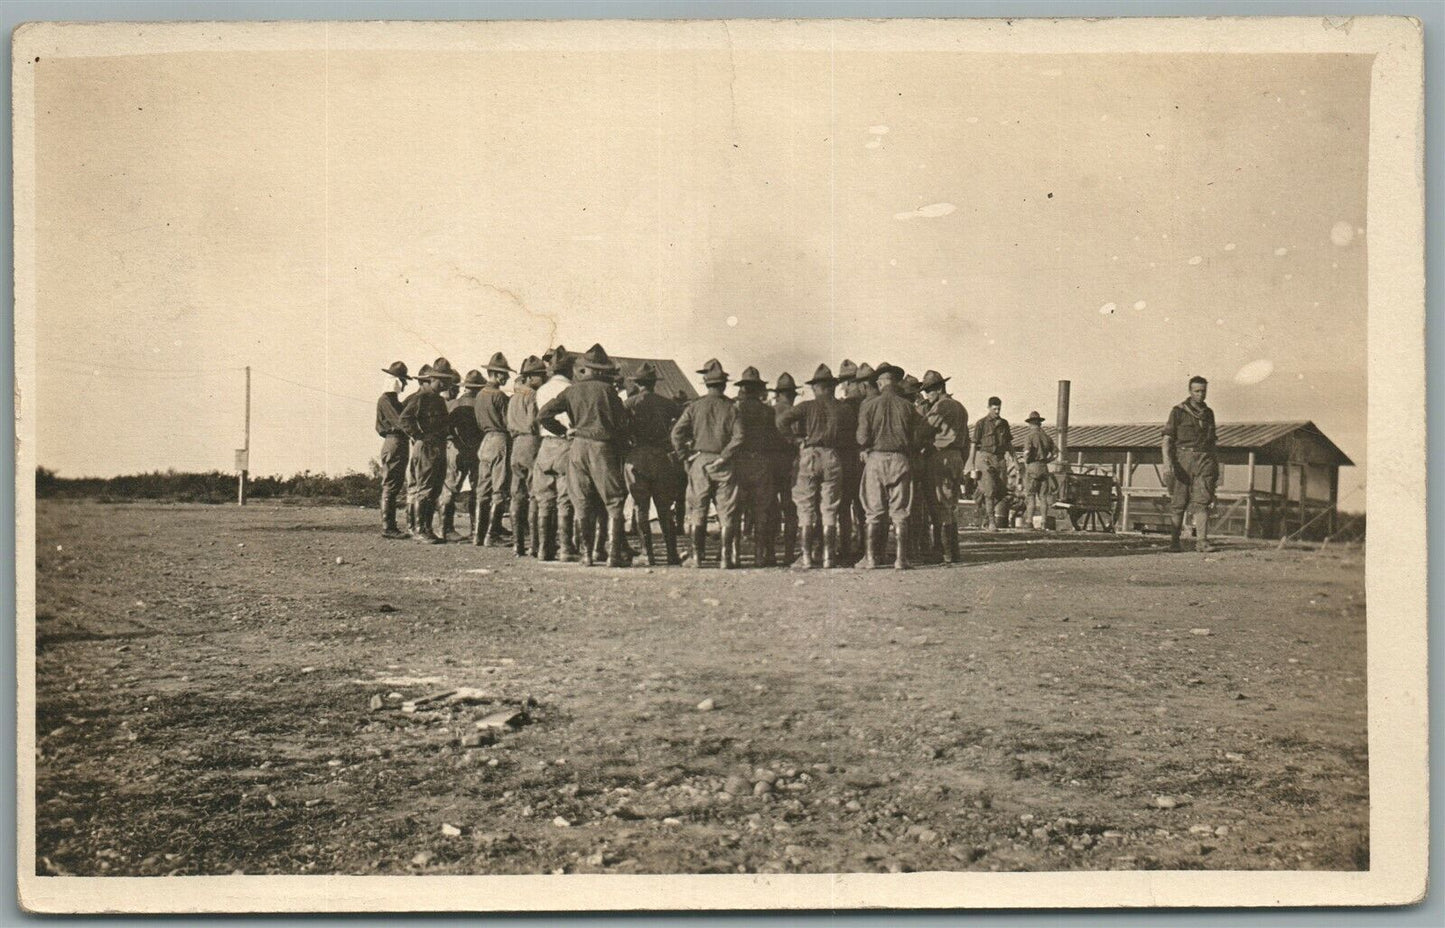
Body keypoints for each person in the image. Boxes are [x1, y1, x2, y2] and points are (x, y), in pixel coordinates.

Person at [538, 343, 632, 567]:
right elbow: (623, 422)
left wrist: (564, 431)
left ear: (585, 369)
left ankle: (586, 555)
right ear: (602, 370)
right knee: (614, 501)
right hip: (602, 447)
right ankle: (613, 555)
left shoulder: (572, 390)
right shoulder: (609, 391)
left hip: (578, 447)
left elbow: (543, 415)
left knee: (581, 501)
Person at [777, 364, 856, 569]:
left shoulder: (806, 406)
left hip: (809, 455)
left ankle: (806, 557)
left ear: (816, 387)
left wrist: (796, 440)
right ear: (832, 387)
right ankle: (828, 557)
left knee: (805, 507)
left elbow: (782, 421)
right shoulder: (844, 408)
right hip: (832, 455)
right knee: (829, 507)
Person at [670, 359, 743, 569]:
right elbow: (740, 436)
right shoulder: (732, 408)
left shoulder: (695, 406)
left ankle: (697, 557)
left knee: (698, 509)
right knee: (727, 512)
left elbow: (676, 433)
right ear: (724, 385)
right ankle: (725, 558)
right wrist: (724, 456)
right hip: (724, 463)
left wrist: (685, 456)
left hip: (700, 461)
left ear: (706, 383)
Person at [856, 363, 927, 569]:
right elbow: (918, 437)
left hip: (876, 459)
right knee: (900, 511)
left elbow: (862, 437)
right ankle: (901, 559)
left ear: (880, 384)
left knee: (873, 512)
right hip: (900, 460)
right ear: (895, 383)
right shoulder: (908, 407)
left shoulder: (869, 405)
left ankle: (870, 559)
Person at [623, 362, 685, 565]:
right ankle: (671, 553)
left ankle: (647, 554)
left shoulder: (629, 404)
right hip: (661, 457)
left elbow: (620, 428)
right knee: (664, 508)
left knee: (641, 507)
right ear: (654, 383)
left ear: (637, 383)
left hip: (637, 456)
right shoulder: (668, 404)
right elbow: (683, 421)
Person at [1162, 375, 1219, 553]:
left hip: (1205, 460)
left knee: (1203, 500)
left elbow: (1212, 443)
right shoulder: (1178, 411)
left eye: (1203, 391)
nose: (1200, 394)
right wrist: (1167, 464)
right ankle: (1174, 543)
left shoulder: (1209, 413)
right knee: (1179, 502)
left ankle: (1202, 542)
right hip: (1183, 459)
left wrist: (1215, 466)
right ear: (1190, 391)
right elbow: (1167, 440)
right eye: (1197, 391)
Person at [532, 346, 578, 561]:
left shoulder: (541, 390)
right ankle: (566, 548)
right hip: (565, 444)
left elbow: (541, 416)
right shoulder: (572, 389)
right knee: (564, 498)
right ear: (569, 369)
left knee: (544, 499)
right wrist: (564, 431)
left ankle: (544, 548)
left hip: (545, 445)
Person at [732, 366, 782, 566]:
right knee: (762, 510)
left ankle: (734, 555)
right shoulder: (767, 411)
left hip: (740, 462)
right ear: (759, 389)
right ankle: (761, 555)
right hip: (761, 462)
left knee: (736, 509)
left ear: (743, 388)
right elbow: (773, 439)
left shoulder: (736, 409)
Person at [399, 364, 452, 544]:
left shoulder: (438, 399)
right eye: (442, 381)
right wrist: (418, 435)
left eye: (447, 381)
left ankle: (425, 528)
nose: (445, 384)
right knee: (425, 488)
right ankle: (420, 530)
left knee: (434, 488)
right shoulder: (421, 397)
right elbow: (405, 419)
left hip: (437, 446)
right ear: (433, 379)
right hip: (427, 447)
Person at [920, 369, 969, 562]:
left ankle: (943, 552)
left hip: (941, 457)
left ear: (939, 388)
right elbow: (967, 440)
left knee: (940, 504)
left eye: (929, 391)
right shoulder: (960, 407)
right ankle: (952, 551)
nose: (927, 396)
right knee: (950, 504)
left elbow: (924, 430)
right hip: (956, 456)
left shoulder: (941, 406)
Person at [507, 356, 547, 556]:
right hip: (531, 443)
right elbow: (533, 421)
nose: (543, 379)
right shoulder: (532, 395)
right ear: (531, 377)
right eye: (540, 376)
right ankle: (535, 545)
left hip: (516, 444)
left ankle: (518, 544)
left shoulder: (514, 397)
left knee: (517, 494)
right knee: (534, 493)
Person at [472, 352, 513, 546]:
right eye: (504, 374)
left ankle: (478, 535)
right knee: (499, 487)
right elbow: (508, 423)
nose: (507, 377)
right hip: (499, 440)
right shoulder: (499, 396)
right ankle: (492, 535)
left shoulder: (480, 395)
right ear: (496, 374)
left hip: (485, 441)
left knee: (483, 488)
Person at [439, 369, 484, 542]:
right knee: (477, 488)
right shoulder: (480, 405)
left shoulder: (453, 404)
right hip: (475, 450)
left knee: (449, 487)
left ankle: (446, 528)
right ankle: (476, 529)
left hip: (454, 448)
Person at [375, 361, 412, 539]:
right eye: (403, 381)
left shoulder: (392, 400)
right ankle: (388, 527)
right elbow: (401, 422)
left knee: (394, 484)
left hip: (396, 441)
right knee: (391, 484)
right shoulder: (387, 400)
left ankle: (390, 525)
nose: (404, 384)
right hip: (395, 441)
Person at [769, 371, 801, 564]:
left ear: (777, 394)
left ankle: (770, 553)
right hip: (791, 464)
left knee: (770, 508)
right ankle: (789, 553)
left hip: (770, 465)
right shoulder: (797, 412)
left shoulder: (769, 411)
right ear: (793, 394)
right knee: (790, 509)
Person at [972, 396, 1017, 531]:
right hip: (985, 458)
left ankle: (981, 501)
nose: (997, 411)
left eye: (999, 409)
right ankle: (991, 522)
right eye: (994, 409)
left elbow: (1008, 444)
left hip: (1000, 459)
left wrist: (1015, 460)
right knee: (990, 491)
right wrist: (971, 464)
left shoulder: (1004, 424)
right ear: (989, 408)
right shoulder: (981, 423)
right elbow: (974, 444)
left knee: (1001, 492)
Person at [1021, 410, 1058, 531]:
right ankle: (1044, 522)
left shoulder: (1029, 437)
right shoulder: (1047, 437)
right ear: (1040, 423)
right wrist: (1047, 460)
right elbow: (1056, 453)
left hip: (1032, 467)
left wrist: (1026, 461)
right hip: (1043, 468)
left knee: (1031, 496)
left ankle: (1029, 522)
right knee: (1043, 497)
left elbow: (1027, 453)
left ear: (1030, 423)